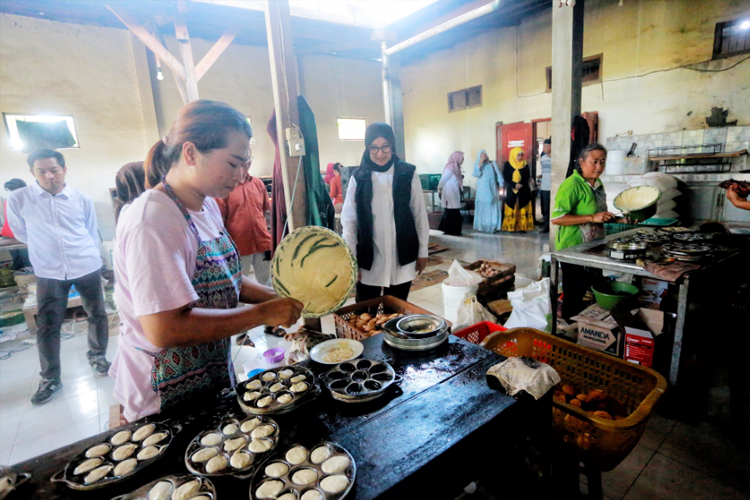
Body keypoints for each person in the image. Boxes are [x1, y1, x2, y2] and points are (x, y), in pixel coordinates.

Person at [111, 100, 303, 422]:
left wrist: (276, 298)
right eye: (233, 164)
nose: (242, 176)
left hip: (208, 369)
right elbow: (164, 327)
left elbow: (224, 276)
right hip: (162, 393)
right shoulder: (153, 220)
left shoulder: (205, 205)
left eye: (246, 164)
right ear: (190, 154)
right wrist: (261, 314)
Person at [7, 149, 110, 405]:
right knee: (47, 325)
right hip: (49, 271)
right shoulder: (20, 199)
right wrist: (46, 249)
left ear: (64, 169)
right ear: (32, 172)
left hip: (85, 264)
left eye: (54, 169)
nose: (49, 175)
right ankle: (50, 377)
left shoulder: (81, 198)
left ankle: (98, 356)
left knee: (96, 313)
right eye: (42, 171)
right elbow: (21, 233)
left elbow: (88, 229)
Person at [341, 122, 429, 303]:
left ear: (392, 145)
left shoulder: (407, 174)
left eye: (385, 147)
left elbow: (419, 215)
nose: (380, 153)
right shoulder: (358, 178)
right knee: (366, 311)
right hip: (369, 259)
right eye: (374, 148)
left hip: (401, 256)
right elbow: (350, 223)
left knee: (395, 311)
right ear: (367, 148)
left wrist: (423, 252)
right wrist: (351, 260)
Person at [552, 143, 624, 319]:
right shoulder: (572, 185)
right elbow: (557, 218)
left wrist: (619, 219)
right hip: (573, 248)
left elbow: (599, 216)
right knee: (574, 294)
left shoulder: (598, 185)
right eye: (594, 162)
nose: (599, 167)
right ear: (582, 162)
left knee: (594, 288)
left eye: (602, 162)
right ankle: (569, 329)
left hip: (593, 247)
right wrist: (592, 218)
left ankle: (588, 326)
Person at [214, 159, 273, 287]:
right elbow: (219, 223)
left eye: (247, 163)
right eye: (241, 163)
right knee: (239, 287)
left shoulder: (258, 184)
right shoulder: (225, 188)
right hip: (239, 247)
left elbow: (263, 211)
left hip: (263, 243)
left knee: (269, 282)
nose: (245, 167)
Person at [501, 147, 534, 232]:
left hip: (523, 189)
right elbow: (506, 176)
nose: (520, 157)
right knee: (512, 205)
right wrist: (514, 185)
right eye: (518, 155)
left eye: (521, 155)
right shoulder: (507, 164)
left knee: (522, 206)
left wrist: (520, 184)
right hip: (511, 189)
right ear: (513, 155)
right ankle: (511, 227)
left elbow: (527, 176)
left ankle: (522, 227)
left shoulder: (524, 164)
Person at [2, 178, 32, 269]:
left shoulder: (9, 199)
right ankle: (26, 282)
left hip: (7, 233)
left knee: (18, 262)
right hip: (18, 234)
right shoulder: (21, 199)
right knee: (27, 263)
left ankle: (19, 280)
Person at [471, 150, 502, 233]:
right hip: (482, 191)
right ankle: (482, 227)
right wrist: (480, 164)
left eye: (485, 155)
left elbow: (498, 174)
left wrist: (501, 185)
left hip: (492, 189)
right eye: (482, 156)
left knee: (492, 205)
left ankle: (492, 226)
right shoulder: (477, 165)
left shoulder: (492, 164)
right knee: (483, 207)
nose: (484, 157)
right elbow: (476, 174)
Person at [438, 151, 465, 236]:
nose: (463, 159)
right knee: (451, 211)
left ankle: (454, 231)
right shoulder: (450, 167)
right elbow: (443, 180)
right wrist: (439, 190)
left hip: (454, 192)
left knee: (454, 211)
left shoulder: (456, 167)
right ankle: (450, 231)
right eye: (462, 158)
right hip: (449, 193)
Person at [539, 138, 552, 233]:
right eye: (543, 146)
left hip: (554, 187)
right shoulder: (543, 159)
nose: (544, 148)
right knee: (545, 208)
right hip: (544, 187)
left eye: (546, 146)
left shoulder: (556, 158)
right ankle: (546, 226)